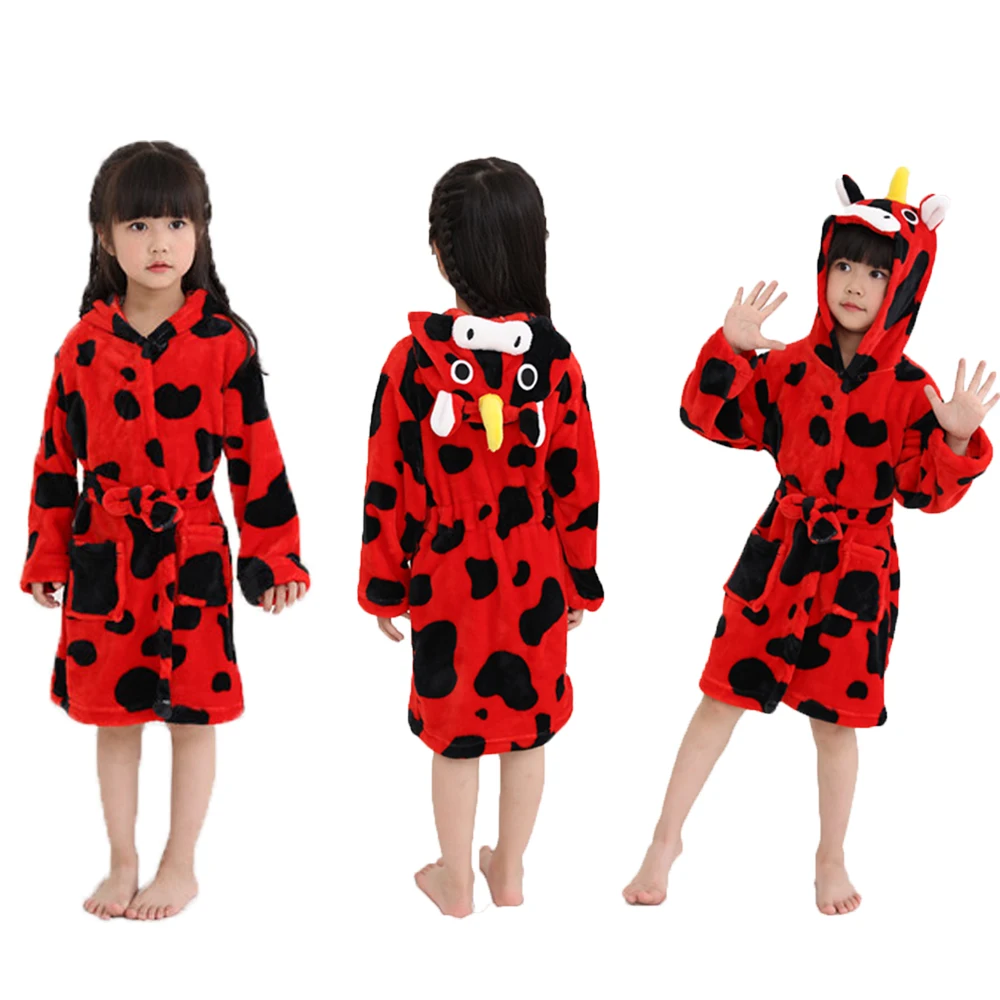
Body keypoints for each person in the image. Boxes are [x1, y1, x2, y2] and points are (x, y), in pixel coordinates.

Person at [623, 168, 995, 914]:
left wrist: (955, 440)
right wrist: (732, 351)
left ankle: (831, 857)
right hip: (778, 556)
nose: (855, 284)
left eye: (877, 273)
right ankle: (664, 840)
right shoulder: (789, 368)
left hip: (859, 573)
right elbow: (707, 415)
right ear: (824, 268)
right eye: (844, 264)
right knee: (720, 696)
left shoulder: (913, 391)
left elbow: (924, 493)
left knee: (836, 724)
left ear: (906, 285)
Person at [21, 141, 310, 920]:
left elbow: (257, 458)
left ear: (202, 231)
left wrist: (275, 557)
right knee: (113, 719)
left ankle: (180, 865)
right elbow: (54, 461)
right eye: (139, 224)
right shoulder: (82, 348)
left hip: (192, 552)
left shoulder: (224, 343)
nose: (159, 242)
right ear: (104, 235)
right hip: (105, 554)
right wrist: (48, 553)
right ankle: (122, 861)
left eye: (177, 223)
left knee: (193, 712)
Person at [358, 158, 603, 917]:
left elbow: (387, 480)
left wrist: (384, 585)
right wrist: (580, 578)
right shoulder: (555, 363)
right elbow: (578, 482)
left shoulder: (412, 362)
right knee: (529, 729)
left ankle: (457, 879)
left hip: (446, 571)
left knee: (455, 733)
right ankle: (511, 872)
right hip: (537, 566)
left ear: (441, 253)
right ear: (535, 247)